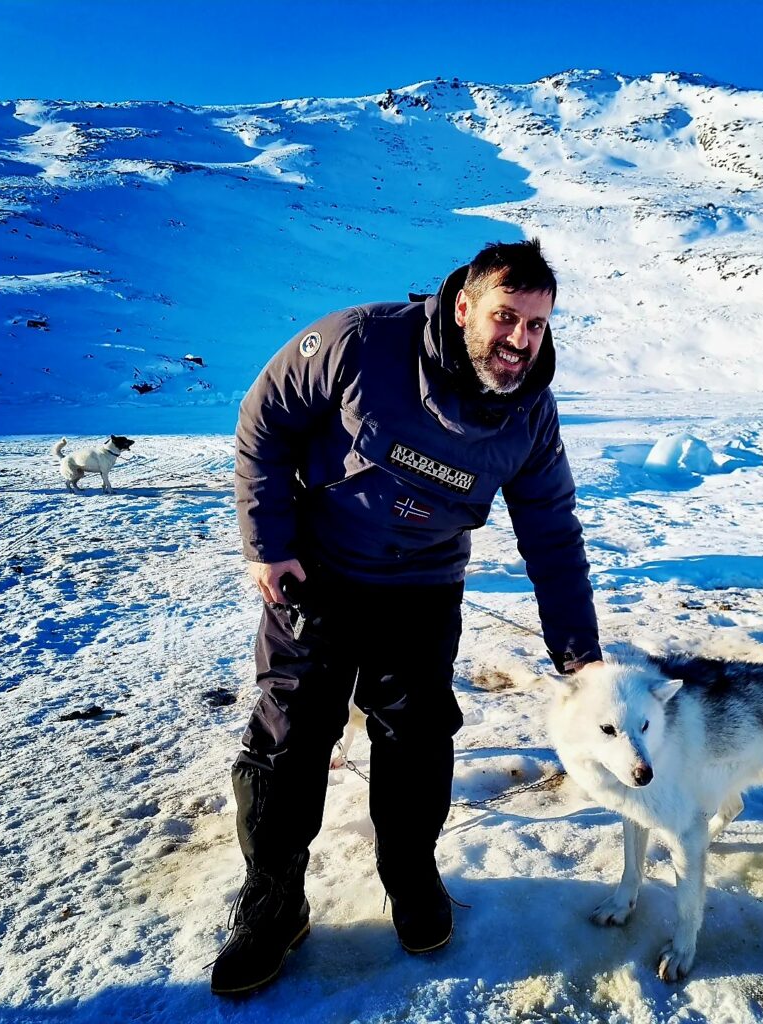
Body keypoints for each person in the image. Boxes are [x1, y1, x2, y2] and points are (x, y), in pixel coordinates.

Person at [211, 239, 602, 995]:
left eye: (538, 324)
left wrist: (578, 653)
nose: (521, 340)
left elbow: (551, 530)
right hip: (315, 573)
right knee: (292, 734)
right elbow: (265, 421)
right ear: (463, 308)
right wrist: (267, 545)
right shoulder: (361, 342)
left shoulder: (529, 417)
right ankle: (273, 899)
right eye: (506, 317)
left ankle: (410, 871)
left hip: (423, 587)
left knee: (418, 734)